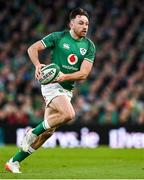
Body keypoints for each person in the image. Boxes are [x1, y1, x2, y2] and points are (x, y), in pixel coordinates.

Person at [5, 7, 96, 173]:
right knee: (69, 114)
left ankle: (14, 161)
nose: (85, 27)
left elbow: (84, 74)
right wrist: (38, 65)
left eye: (87, 24)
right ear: (71, 23)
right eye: (81, 23)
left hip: (66, 88)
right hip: (51, 84)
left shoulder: (89, 46)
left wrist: (65, 77)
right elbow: (32, 48)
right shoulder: (58, 37)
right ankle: (32, 132)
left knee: (47, 133)